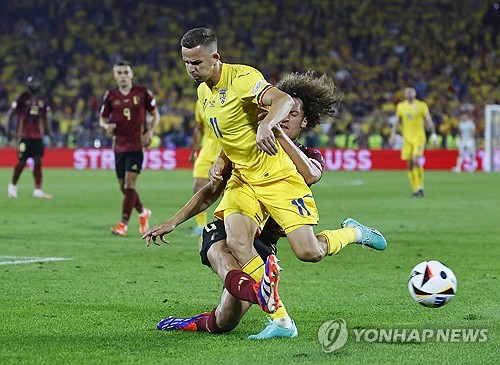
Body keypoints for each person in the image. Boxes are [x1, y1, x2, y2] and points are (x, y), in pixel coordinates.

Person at [144, 68, 385, 337]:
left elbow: (312, 174)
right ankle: (281, 320)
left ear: (304, 121)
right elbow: (211, 191)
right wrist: (174, 220)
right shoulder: (246, 146)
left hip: (262, 248)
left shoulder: (305, 155)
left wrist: (275, 132)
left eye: (293, 115)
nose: (285, 118)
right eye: (284, 111)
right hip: (229, 227)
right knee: (228, 250)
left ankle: (355, 232)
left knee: (228, 317)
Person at [99, 60, 160, 236]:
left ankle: (123, 224)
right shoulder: (110, 96)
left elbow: (155, 114)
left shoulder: (142, 93)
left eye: (126, 72)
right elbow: (102, 118)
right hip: (118, 146)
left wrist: (150, 132)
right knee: (123, 187)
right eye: (119, 73)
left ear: (131, 74)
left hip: (136, 145)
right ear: (115, 76)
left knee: (129, 184)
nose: (123, 76)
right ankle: (143, 212)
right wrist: (106, 127)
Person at [6, 75, 55, 199]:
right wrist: (9, 132)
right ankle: (12, 185)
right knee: (22, 161)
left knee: (38, 161)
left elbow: (45, 119)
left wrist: (51, 136)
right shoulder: (22, 98)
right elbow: (10, 115)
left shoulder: (42, 100)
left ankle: (38, 189)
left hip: (37, 136)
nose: (35, 85)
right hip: (24, 136)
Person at [390, 86, 438, 197]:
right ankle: (415, 188)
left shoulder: (421, 105)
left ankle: (421, 187)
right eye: (407, 92)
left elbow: (429, 121)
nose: (409, 93)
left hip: (419, 137)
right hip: (407, 139)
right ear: (405, 94)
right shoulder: (401, 106)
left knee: (416, 160)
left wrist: (434, 135)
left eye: (411, 92)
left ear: (415, 94)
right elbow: (397, 121)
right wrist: (393, 134)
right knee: (409, 164)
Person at [186, 99, 220, 237]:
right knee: (198, 186)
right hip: (206, 151)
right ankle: (201, 226)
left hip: (226, 151)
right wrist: (194, 150)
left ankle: (226, 224)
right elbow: (199, 127)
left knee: (229, 191)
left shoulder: (229, 96)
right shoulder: (200, 100)